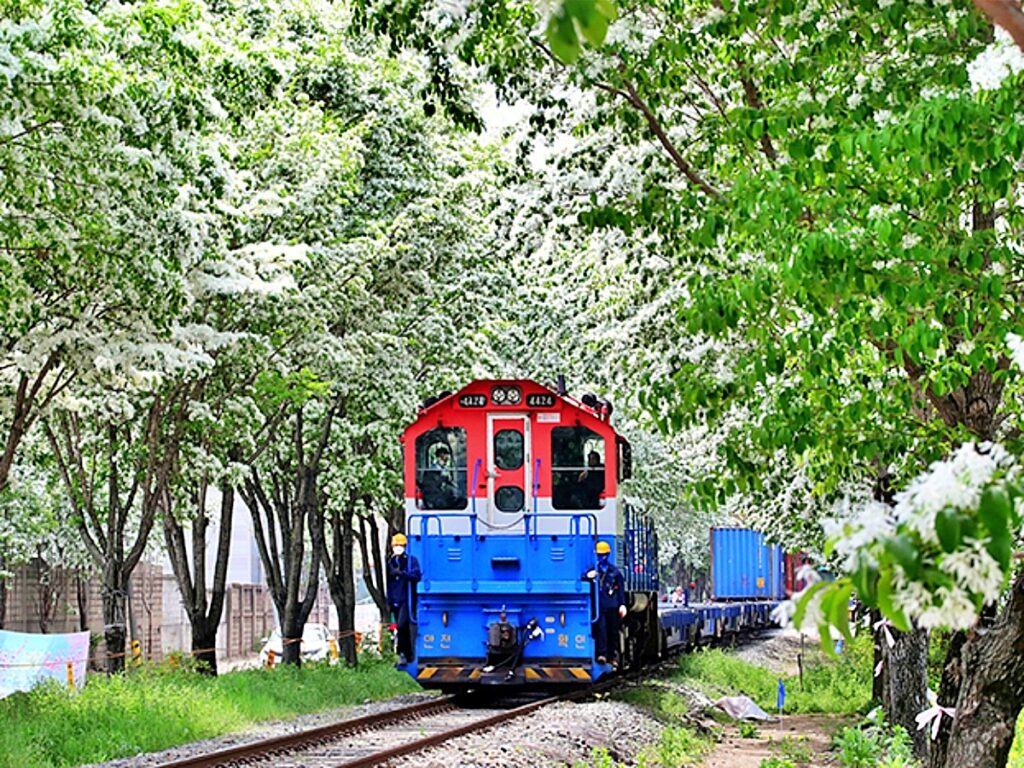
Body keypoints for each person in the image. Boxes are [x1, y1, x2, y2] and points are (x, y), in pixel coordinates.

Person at [582, 540, 626, 665]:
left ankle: (613, 656)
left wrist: (622, 604)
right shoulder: (593, 571)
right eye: (600, 555)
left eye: (604, 555)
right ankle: (602, 654)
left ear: (608, 555)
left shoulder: (615, 572)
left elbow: (620, 589)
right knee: (601, 630)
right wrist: (587, 576)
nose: (602, 557)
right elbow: (583, 579)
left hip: (612, 606)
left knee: (613, 631)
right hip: (599, 606)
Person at [386, 533, 422, 663]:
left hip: (406, 599)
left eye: (400, 545)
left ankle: (405, 653)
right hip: (393, 599)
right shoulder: (390, 562)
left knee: (402, 625)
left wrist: (402, 574)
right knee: (395, 627)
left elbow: (417, 576)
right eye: (396, 545)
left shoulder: (411, 561)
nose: (398, 548)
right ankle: (397, 653)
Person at [421, 445, 456, 509]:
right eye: (444, 457)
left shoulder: (443, 469)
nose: (446, 459)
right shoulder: (432, 470)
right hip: (435, 498)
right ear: (439, 457)